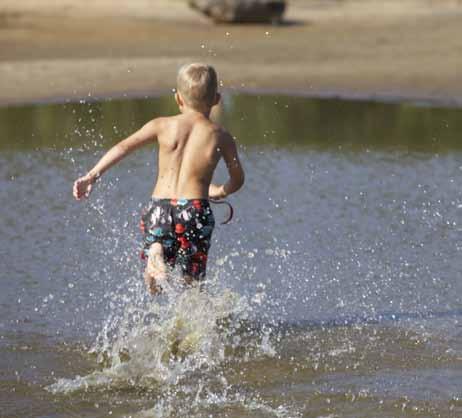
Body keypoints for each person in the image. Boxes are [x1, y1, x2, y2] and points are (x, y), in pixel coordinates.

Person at [73, 63, 245, 295]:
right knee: (192, 285)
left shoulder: (162, 125)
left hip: (159, 208)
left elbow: (123, 147)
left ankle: (156, 253)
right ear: (216, 99)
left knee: (153, 284)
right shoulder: (220, 136)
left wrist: (92, 175)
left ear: (178, 99)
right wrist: (221, 190)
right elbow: (238, 178)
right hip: (194, 210)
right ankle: (191, 323)